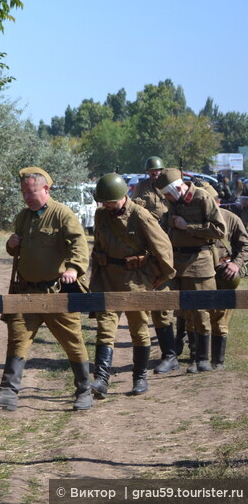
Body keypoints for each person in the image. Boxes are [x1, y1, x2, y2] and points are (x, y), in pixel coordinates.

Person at [0, 167, 94, 412]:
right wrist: (10, 244)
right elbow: (18, 249)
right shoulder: (23, 217)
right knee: (17, 339)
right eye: (24, 192)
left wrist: (74, 269)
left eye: (32, 191)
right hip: (25, 293)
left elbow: (79, 246)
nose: (27, 196)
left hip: (56, 294)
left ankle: (84, 389)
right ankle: (8, 392)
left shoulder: (62, 214)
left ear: (46, 189)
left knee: (72, 341)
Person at [88, 174, 175, 398]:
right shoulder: (101, 215)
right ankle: (101, 380)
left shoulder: (140, 215)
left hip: (136, 281)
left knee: (139, 331)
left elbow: (163, 247)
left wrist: (159, 276)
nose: (105, 205)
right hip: (108, 280)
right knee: (105, 330)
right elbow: (98, 246)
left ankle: (139, 378)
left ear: (122, 196)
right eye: (103, 202)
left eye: (109, 201)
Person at [154, 168, 225, 373]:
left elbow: (219, 230)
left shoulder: (203, 198)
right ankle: (171, 356)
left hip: (199, 261)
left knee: (200, 309)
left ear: (177, 187)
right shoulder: (172, 202)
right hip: (175, 262)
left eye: (167, 194)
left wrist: (188, 226)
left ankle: (201, 358)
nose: (166, 198)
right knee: (167, 306)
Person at [132, 156, 180, 374]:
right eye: (152, 171)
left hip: (170, 242)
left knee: (168, 303)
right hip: (148, 244)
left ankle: (174, 352)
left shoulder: (171, 186)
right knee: (154, 303)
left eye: (158, 171)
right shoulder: (141, 187)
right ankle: (169, 354)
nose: (155, 174)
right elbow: (134, 209)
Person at [192, 183, 247, 369]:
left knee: (221, 318)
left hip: (223, 274)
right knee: (197, 316)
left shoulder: (230, 218)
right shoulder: (193, 219)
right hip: (198, 273)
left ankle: (218, 361)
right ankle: (199, 359)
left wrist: (236, 264)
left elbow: (245, 245)